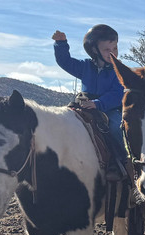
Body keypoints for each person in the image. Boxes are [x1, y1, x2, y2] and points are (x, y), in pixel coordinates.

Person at [52, 24, 127, 178]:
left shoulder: (118, 71)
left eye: (115, 49)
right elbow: (65, 62)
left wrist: (98, 104)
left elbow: (116, 94)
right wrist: (61, 44)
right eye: (107, 50)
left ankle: (122, 160)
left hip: (109, 108)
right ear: (94, 50)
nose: (112, 53)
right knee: (63, 121)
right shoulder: (85, 66)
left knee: (116, 126)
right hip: (84, 105)